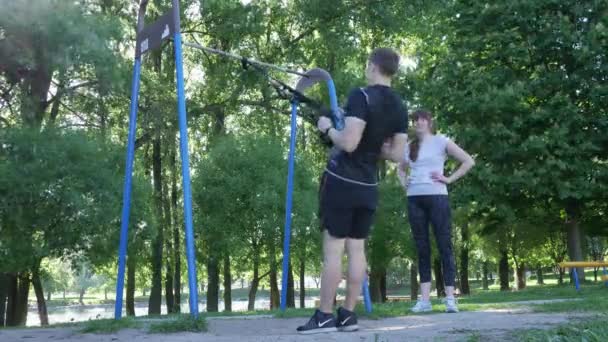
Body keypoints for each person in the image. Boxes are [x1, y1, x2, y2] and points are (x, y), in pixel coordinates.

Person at [296, 48, 408, 334]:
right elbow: (397, 154)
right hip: (368, 185)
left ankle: (323, 316)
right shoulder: (399, 105)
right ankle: (347, 315)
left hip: (343, 181)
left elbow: (347, 142)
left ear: (372, 66)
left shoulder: (362, 95)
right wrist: (372, 146)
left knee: (333, 250)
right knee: (357, 248)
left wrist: (325, 128)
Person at [397, 110, 475, 314]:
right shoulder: (409, 146)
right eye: (415, 120)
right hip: (414, 200)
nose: (418, 122)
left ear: (430, 122)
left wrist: (449, 179)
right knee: (422, 248)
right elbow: (400, 169)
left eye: (422, 119)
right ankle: (424, 301)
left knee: (444, 245)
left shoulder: (442, 141)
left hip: (437, 198)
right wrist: (405, 184)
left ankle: (450, 299)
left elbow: (468, 161)